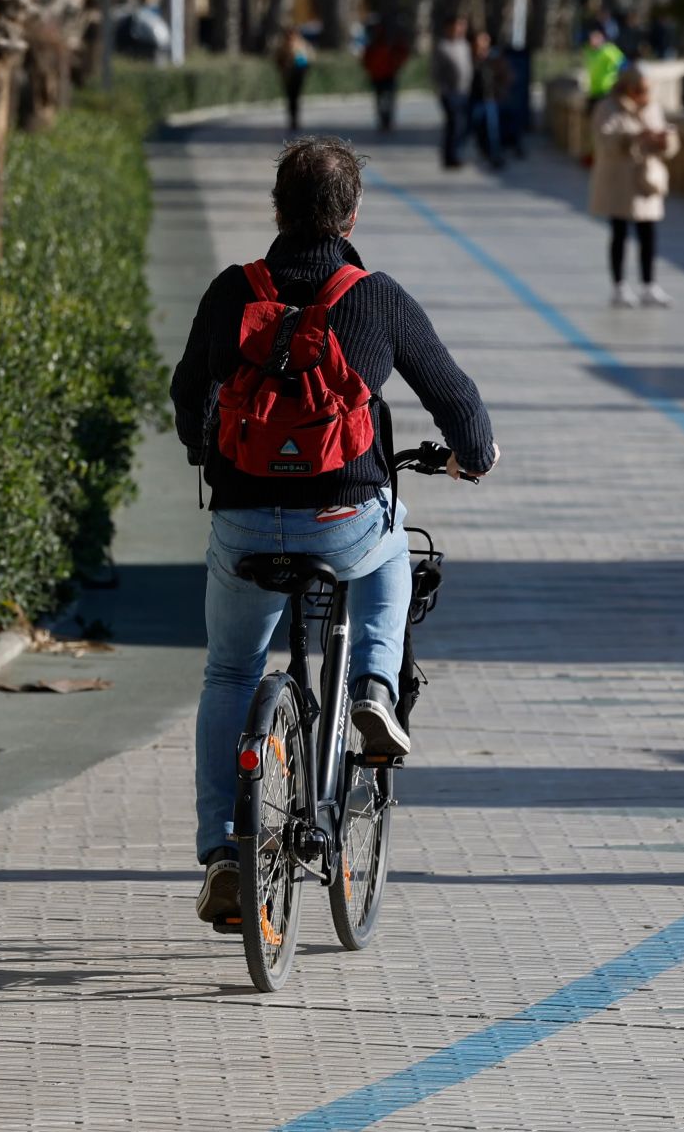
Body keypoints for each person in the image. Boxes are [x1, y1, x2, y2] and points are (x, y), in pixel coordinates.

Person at [170, 136, 499, 927]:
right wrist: (474, 455)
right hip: (342, 520)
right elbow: (459, 403)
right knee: (392, 543)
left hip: (244, 519)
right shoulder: (376, 296)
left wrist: (210, 449)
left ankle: (223, 851)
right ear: (351, 216)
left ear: (277, 209)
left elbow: (186, 395)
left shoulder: (232, 290)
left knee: (229, 672)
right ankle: (375, 690)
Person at [589, 68, 679, 309]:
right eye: (638, 89)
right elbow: (604, 140)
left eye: (646, 89)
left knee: (648, 233)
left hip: (646, 179)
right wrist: (635, 136)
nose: (643, 94)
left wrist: (664, 140)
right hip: (619, 180)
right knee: (619, 232)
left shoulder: (653, 108)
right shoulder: (608, 107)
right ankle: (619, 285)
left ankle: (649, 284)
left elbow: (669, 144)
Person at [431, 16, 473, 169]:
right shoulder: (442, 47)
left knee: (463, 125)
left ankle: (457, 153)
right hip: (450, 92)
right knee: (454, 124)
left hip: (464, 91)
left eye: (462, 26)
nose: (459, 29)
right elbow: (435, 71)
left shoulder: (464, 45)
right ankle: (451, 156)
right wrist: (442, 90)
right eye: (456, 26)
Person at [469, 30, 509, 169]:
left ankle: (495, 155)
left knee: (492, 129)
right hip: (474, 98)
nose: (482, 44)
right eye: (479, 41)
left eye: (485, 40)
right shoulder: (471, 58)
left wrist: (500, 90)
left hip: (490, 98)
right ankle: (484, 152)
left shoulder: (494, 58)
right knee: (477, 127)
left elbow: (506, 76)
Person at [362, 23, 411, 132]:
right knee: (381, 100)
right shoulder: (373, 46)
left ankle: (387, 121)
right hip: (378, 76)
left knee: (388, 99)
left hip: (389, 75)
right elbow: (366, 61)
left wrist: (396, 65)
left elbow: (402, 54)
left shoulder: (390, 45)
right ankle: (383, 120)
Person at [274, 27, 314, 131]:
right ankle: (292, 119)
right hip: (287, 75)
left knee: (295, 97)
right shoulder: (282, 46)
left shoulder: (301, 45)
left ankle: (295, 119)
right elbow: (278, 60)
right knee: (290, 97)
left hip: (298, 74)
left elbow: (309, 58)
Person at [581, 26, 626, 113]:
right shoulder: (588, 51)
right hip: (593, 90)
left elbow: (623, 65)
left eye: (597, 37)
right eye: (592, 37)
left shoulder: (609, 51)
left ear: (602, 38)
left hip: (606, 90)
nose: (594, 40)